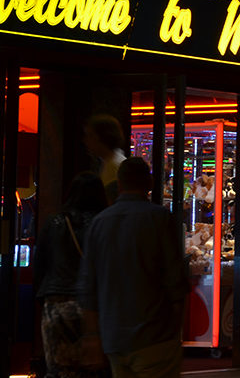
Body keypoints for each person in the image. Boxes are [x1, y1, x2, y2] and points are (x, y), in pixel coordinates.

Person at [79, 157, 188, 378]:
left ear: (119, 184)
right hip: (155, 336)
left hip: (114, 337)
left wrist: (93, 335)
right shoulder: (160, 219)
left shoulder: (99, 223)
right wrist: (175, 324)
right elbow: (175, 279)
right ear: (149, 184)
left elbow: (87, 286)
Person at [35, 171, 108, 378]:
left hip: (56, 304)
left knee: (59, 370)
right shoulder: (102, 224)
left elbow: (40, 266)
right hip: (93, 309)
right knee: (95, 370)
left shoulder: (54, 222)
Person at [83, 114, 127, 205]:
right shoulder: (111, 162)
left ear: (100, 137)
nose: (86, 141)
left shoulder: (114, 166)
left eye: (90, 135)